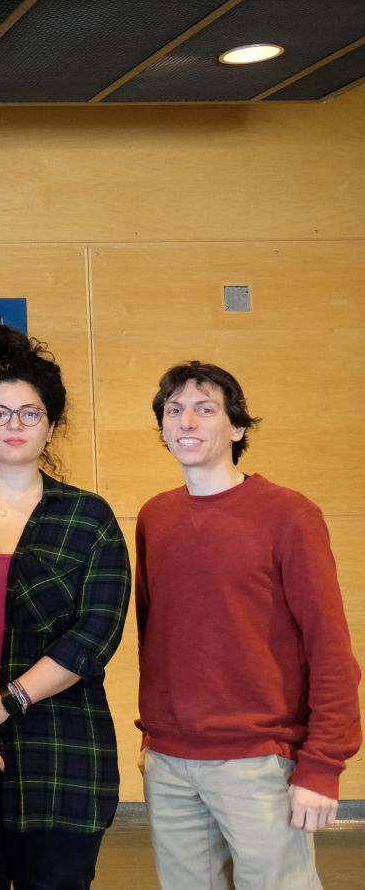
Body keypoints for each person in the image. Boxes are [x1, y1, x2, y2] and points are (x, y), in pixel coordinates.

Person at [136, 361, 360, 890]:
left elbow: (329, 647)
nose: (186, 420)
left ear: (237, 428)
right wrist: (153, 735)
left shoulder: (289, 515)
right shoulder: (154, 517)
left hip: (259, 762)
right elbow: (157, 638)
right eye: (174, 410)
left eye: (204, 409)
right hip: (169, 764)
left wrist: (323, 765)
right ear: (164, 428)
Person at [0, 327, 132, 890]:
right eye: (0, 413)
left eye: (30, 414)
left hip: (60, 748)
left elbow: (94, 634)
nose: (14, 425)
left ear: (52, 426)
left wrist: (5, 703)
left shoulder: (89, 518)